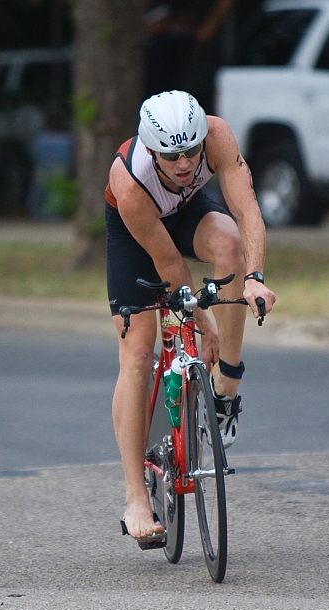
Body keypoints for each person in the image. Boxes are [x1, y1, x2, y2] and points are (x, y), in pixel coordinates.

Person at [105, 90, 276, 543]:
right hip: (137, 232)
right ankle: (135, 495)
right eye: (171, 155)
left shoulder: (217, 135)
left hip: (185, 210)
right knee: (138, 353)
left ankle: (227, 386)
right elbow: (168, 267)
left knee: (230, 248)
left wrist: (255, 277)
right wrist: (203, 322)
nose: (184, 163)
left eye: (191, 151)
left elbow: (246, 209)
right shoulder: (130, 181)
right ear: (151, 150)